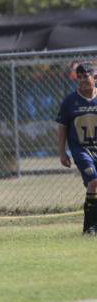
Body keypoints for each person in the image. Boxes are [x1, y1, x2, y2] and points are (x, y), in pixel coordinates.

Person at [56, 61, 97, 234]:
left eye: (85, 77)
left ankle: (89, 226)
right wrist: (62, 152)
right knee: (94, 181)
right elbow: (62, 127)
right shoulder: (70, 101)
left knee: (93, 186)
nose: (82, 81)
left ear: (95, 78)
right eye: (79, 77)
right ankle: (91, 227)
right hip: (81, 150)